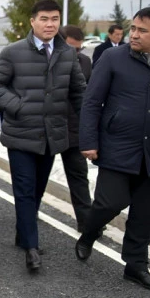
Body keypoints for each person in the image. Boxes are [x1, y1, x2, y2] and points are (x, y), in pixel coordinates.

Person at [76, 8, 150, 292]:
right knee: (109, 203)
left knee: (145, 214)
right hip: (116, 145)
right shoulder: (113, 57)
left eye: (142, 30)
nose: (134, 34)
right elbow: (92, 101)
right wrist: (88, 141)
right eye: (133, 28)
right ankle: (89, 233)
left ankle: (136, 266)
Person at [0, 0, 86, 271]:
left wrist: (91, 128)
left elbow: (79, 92)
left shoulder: (67, 53)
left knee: (37, 190)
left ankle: (23, 233)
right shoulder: (13, 52)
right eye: (44, 19)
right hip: (21, 133)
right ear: (33, 21)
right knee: (24, 190)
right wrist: (18, 106)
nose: (49, 24)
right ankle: (31, 248)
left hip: (51, 136)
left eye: (54, 19)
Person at [58, 25, 93, 225]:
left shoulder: (85, 62)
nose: (76, 53)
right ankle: (29, 219)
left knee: (79, 177)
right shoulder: (45, 61)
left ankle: (86, 223)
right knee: (37, 179)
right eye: (72, 48)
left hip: (75, 130)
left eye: (79, 49)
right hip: (48, 129)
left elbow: (89, 97)